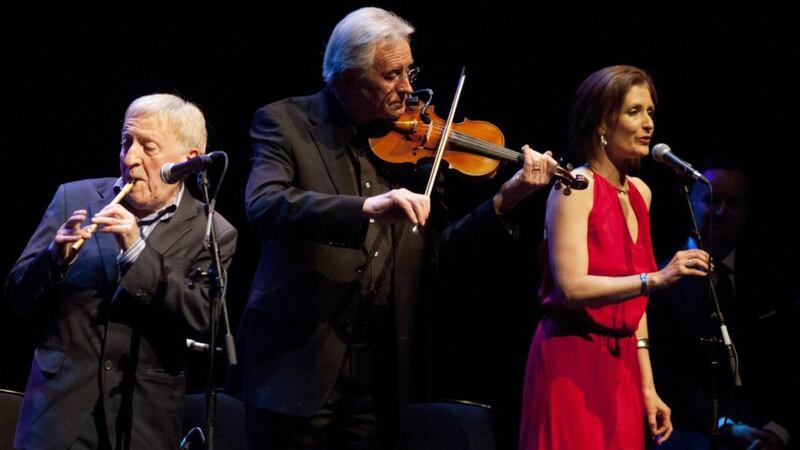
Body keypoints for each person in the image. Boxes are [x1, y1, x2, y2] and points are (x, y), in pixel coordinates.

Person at [230, 6, 557, 450]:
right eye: (391, 75)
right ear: (348, 78)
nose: (407, 88)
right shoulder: (285, 122)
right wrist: (367, 206)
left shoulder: (419, 146)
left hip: (378, 378)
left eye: (409, 70)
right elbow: (264, 205)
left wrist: (508, 197)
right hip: (296, 366)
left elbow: (443, 252)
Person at [5, 94, 238, 450]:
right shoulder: (73, 197)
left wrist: (136, 250)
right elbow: (17, 297)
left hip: (144, 419)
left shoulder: (213, 231)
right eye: (126, 142)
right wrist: (54, 258)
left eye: (148, 147)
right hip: (58, 415)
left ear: (190, 162)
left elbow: (202, 318)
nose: (130, 158)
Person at [518, 65, 712, 450]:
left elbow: (635, 308)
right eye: (634, 111)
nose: (648, 124)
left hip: (622, 365)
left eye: (651, 112)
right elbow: (571, 287)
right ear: (603, 123)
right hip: (572, 359)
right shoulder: (575, 186)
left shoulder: (641, 193)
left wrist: (648, 387)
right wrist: (655, 279)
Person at [648, 166, 797, 450]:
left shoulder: (771, 280)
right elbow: (664, 374)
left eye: (734, 203)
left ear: (747, 212)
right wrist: (725, 427)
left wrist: (778, 430)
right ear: (691, 202)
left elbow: (787, 361)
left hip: (764, 429)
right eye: (713, 201)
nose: (721, 212)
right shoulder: (661, 280)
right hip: (689, 432)